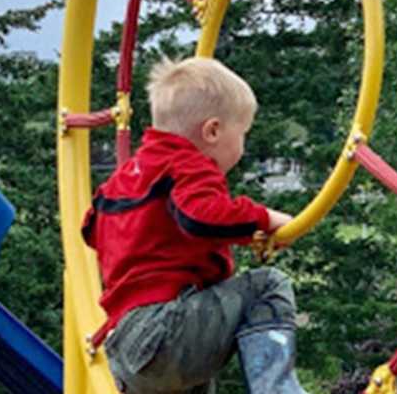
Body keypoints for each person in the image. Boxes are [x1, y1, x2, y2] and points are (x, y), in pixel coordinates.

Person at [82, 56, 306, 393]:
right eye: (242, 133)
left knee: (199, 378)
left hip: (125, 348)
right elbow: (200, 215)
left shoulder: (123, 179)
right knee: (266, 286)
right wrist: (265, 219)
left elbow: (91, 229)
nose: (242, 147)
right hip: (163, 332)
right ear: (213, 130)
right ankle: (278, 389)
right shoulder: (187, 164)